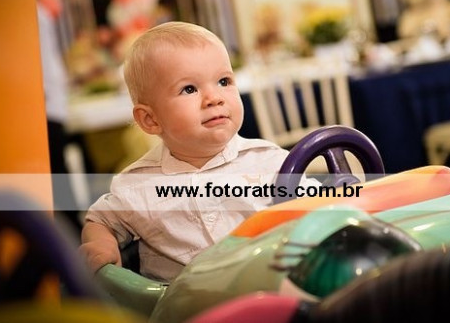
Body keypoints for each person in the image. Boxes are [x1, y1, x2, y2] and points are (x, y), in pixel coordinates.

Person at [79, 22, 318, 282]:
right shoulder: (137, 184)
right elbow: (101, 220)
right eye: (189, 89)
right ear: (151, 119)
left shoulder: (269, 162)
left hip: (268, 290)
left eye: (224, 81)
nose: (214, 98)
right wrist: (102, 244)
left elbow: (322, 206)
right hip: (186, 302)